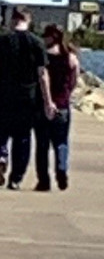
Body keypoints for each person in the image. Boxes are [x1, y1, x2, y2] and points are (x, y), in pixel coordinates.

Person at [0, 7, 55, 190]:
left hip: (3, 93)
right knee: (22, 138)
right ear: (28, 21)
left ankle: (2, 154)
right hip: (28, 96)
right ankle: (16, 178)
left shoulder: (1, 41)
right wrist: (47, 100)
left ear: (12, 20)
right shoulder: (37, 43)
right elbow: (42, 74)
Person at [33, 24, 79, 191]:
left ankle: (44, 181)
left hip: (43, 105)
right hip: (63, 105)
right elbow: (74, 81)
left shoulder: (44, 57)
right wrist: (65, 96)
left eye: (45, 36)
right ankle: (61, 170)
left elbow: (42, 79)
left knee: (42, 145)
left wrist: (47, 101)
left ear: (52, 37)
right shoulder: (71, 57)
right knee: (61, 142)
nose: (43, 39)